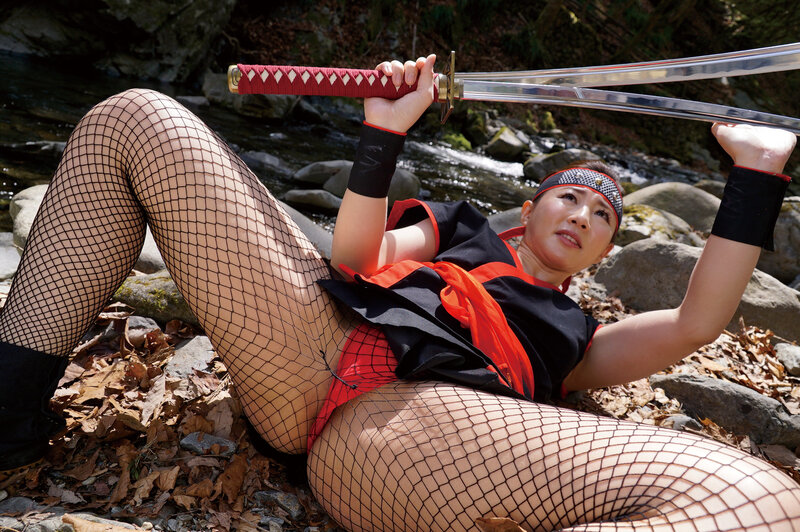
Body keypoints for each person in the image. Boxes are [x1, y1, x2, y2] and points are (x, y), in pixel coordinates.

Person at [0, 53, 798, 531]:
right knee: (134, 118)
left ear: (603, 253)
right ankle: (7, 419)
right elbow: (355, 256)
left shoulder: (578, 339)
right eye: (570, 197)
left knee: (759, 505)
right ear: (529, 210)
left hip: (415, 427)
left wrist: (758, 173)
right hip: (317, 339)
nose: (584, 215)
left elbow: (697, 321)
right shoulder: (459, 228)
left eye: (603, 216)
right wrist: (384, 131)